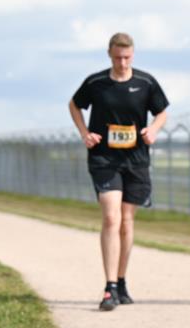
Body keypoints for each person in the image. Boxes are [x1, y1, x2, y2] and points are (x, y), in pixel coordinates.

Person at [68, 32, 169, 311]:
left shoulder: (145, 82)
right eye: (117, 57)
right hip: (104, 158)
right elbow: (74, 105)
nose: (122, 63)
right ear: (109, 55)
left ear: (133, 55)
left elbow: (162, 112)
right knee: (111, 218)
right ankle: (109, 287)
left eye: (126, 57)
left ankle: (122, 280)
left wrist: (153, 130)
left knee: (126, 221)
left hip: (136, 159)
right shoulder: (96, 82)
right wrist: (85, 133)